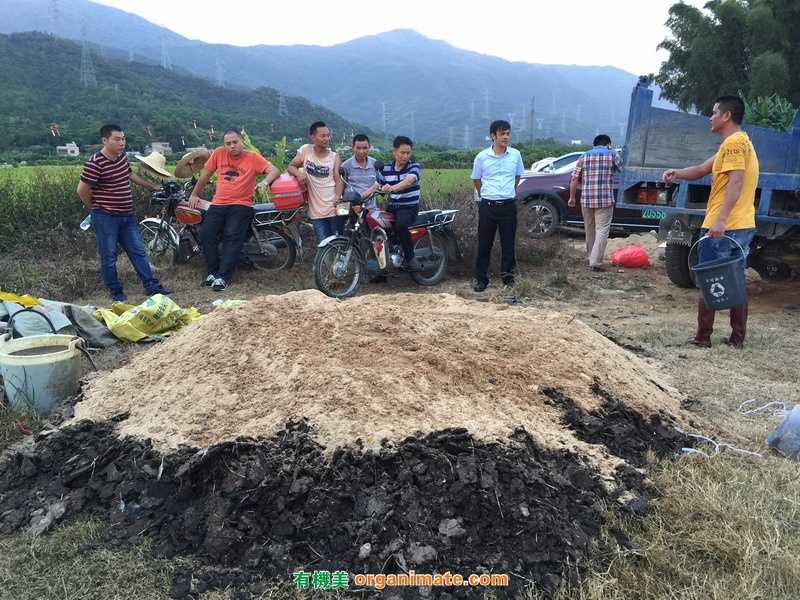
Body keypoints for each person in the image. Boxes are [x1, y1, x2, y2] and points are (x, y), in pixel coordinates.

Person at [662, 95, 759, 349]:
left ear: (727, 116)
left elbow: (736, 181)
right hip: (740, 223)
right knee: (734, 280)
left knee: (709, 278)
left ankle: (703, 337)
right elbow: (702, 169)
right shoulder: (737, 143)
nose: (711, 117)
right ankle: (736, 339)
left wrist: (720, 220)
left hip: (727, 226)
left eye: (714, 112)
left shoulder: (734, 144)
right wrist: (678, 173)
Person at [77, 124, 171, 302]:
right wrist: (96, 208)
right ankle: (116, 292)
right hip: (105, 218)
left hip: (126, 215)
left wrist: (153, 187)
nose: (122, 143)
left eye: (123, 139)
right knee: (109, 256)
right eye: (117, 139)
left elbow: (129, 175)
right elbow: (82, 190)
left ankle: (151, 286)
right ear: (105, 140)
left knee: (138, 252)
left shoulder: (121, 157)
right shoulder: (95, 162)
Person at [188, 129, 280, 291]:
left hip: (241, 204)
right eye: (228, 143)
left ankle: (223, 277)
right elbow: (205, 176)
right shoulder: (218, 154)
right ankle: (212, 273)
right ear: (224, 145)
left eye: (235, 142)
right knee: (206, 233)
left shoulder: (252, 157)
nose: (232, 146)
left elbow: (274, 170)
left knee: (232, 236)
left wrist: (265, 182)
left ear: (242, 141)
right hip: (218, 204)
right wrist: (194, 194)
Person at [471, 120, 525, 291]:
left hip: (508, 206)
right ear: (492, 136)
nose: (506, 137)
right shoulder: (481, 157)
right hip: (488, 206)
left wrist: (508, 192)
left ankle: (508, 280)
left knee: (508, 244)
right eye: (502, 134)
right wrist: (486, 195)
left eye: (508, 133)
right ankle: (481, 280)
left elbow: (517, 177)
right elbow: (476, 179)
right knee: (484, 244)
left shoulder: (515, 155)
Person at [568, 134, 622, 272]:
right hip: (605, 200)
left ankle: (590, 257)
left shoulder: (584, 156)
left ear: (594, 144)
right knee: (602, 230)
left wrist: (572, 197)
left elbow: (574, 179)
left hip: (586, 199)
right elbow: (624, 171)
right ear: (608, 144)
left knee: (589, 230)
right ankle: (595, 262)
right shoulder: (612, 154)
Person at [287, 121, 344, 241]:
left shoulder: (335, 156)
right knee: (323, 244)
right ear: (313, 137)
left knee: (339, 243)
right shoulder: (305, 150)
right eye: (323, 136)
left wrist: (338, 196)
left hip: (335, 207)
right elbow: (291, 166)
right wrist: (299, 174)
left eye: (328, 135)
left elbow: (338, 180)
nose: (327, 138)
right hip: (316, 212)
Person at [377, 136, 423, 271]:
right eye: (402, 153)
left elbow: (409, 181)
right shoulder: (385, 169)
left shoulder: (414, 166)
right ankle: (385, 262)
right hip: (393, 207)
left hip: (409, 207)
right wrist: (359, 197)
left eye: (408, 153)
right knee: (378, 226)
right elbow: (376, 185)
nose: (405, 156)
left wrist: (391, 188)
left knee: (401, 225)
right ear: (394, 152)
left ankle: (410, 258)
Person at [341, 134, 379, 208]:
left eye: (365, 148)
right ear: (353, 148)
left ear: (369, 147)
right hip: (352, 207)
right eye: (358, 148)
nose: (361, 151)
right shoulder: (345, 166)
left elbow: (379, 183)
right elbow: (342, 186)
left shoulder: (375, 164)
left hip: (371, 208)